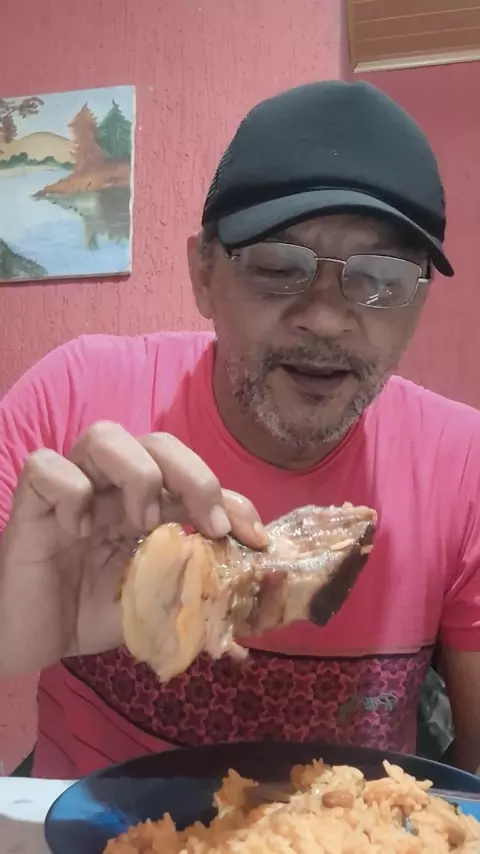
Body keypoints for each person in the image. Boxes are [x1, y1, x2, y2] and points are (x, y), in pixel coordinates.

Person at [0, 80, 479, 780]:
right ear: (203, 273)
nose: (326, 318)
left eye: (382, 280)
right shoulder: (71, 401)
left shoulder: (465, 466)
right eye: (279, 267)